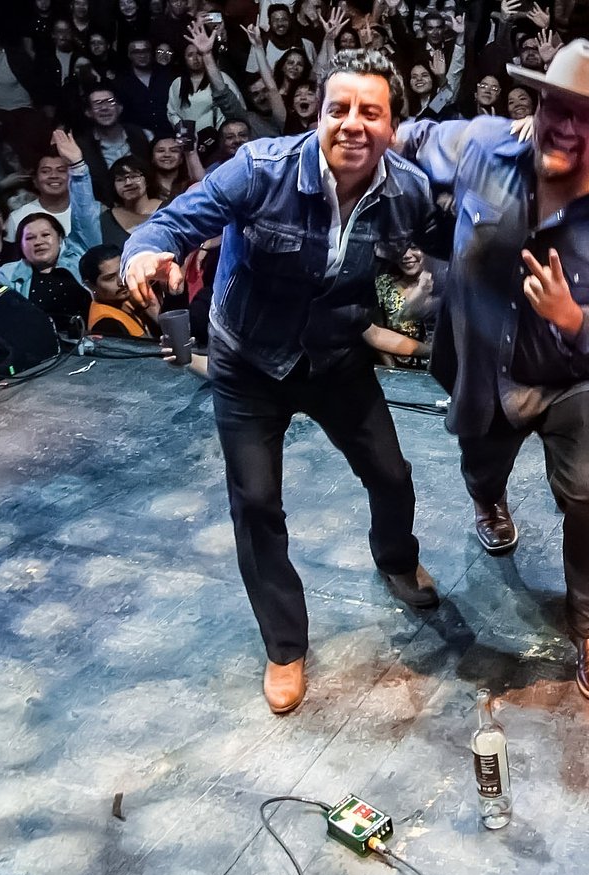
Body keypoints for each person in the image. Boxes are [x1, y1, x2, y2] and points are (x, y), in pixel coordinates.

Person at [122, 49, 442, 715]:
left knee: (392, 474)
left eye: (370, 112)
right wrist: (145, 254)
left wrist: (420, 298)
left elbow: (421, 263)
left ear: (391, 124)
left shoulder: (406, 190)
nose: (353, 124)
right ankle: (285, 645)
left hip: (334, 358)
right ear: (317, 114)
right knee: (257, 504)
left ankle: (396, 559)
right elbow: (171, 224)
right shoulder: (260, 169)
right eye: (339, 109)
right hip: (249, 364)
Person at [392, 41, 589, 699]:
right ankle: (488, 496)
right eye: (554, 106)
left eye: (585, 115)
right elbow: (413, 136)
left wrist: (574, 318)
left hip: (568, 380)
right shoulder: (484, 146)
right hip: (483, 364)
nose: (565, 125)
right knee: (481, 466)